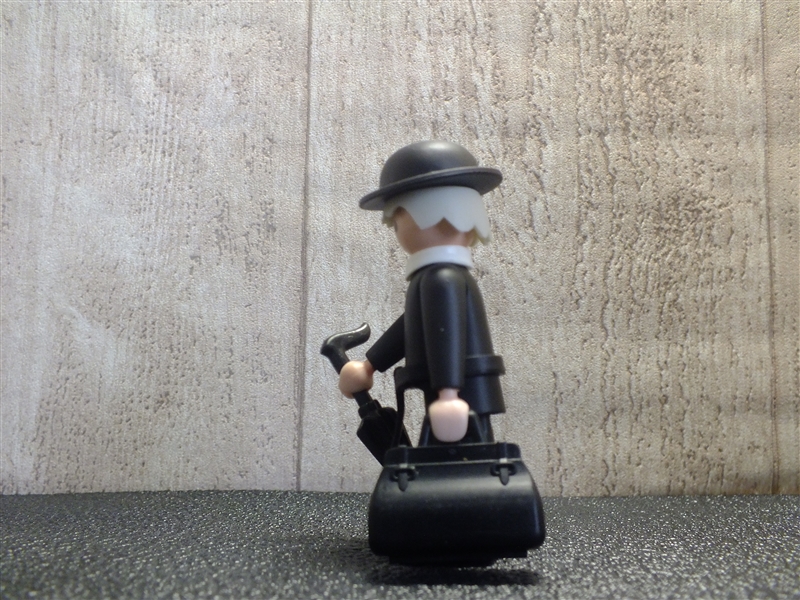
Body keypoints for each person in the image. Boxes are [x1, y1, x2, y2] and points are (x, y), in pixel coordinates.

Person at [338, 141, 506, 444]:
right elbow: (415, 324)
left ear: (433, 216)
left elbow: (447, 335)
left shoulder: (441, 278)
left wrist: (449, 394)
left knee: (461, 457)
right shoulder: (434, 276)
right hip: (452, 393)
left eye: (396, 220)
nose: (396, 229)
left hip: (459, 398)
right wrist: (370, 364)